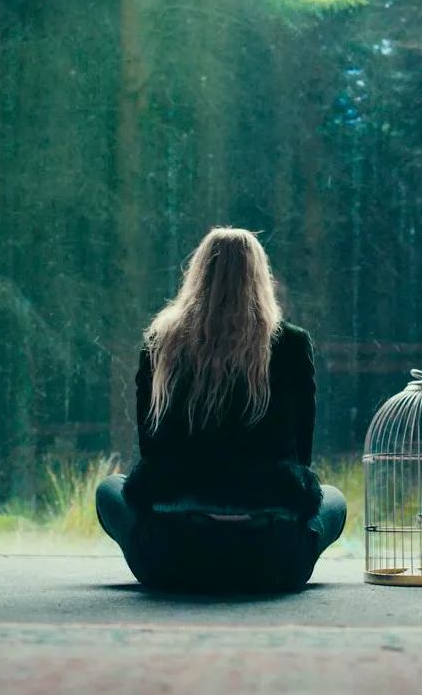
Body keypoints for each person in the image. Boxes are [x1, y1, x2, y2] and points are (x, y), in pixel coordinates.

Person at [95, 227, 347, 594]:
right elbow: (300, 456)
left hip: (170, 558)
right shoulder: (291, 343)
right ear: (261, 277)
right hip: (273, 560)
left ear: (196, 275)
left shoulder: (161, 343)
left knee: (109, 489)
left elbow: (150, 449)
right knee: (334, 497)